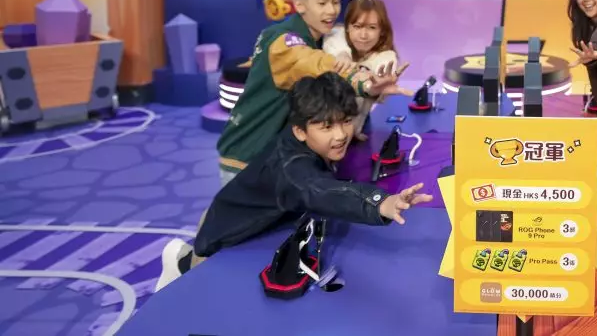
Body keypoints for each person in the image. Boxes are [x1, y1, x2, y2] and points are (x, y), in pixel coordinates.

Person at [156, 73, 432, 290]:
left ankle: (180, 257)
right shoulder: (292, 170)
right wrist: (381, 203)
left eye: (346, 121)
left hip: (239, 211)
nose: (340, 135)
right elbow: (318, 190)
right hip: (224, 235)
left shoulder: (306, 129)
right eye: (327, 127)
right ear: (300, 131)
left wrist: (368, 93)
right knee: (199, 297)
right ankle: (178, 263)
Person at [216, 0, 409, 186]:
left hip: (276, 157)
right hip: (249, 156)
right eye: (322, 3)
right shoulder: (286, 41)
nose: (331, 10)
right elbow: (313, 63)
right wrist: (364, 83)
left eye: (335, 2)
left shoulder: (316, 37)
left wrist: (371, 89)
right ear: (300, 4)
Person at [322, 0, 405, 141]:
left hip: (351, 133)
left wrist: (371, 84)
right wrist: (343, 54)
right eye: (357, 26)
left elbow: (375, 85)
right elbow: (334, 38)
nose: (363, 35)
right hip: (322, 131)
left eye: (372, 28)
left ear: (382, 31)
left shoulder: (387, 58)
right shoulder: (337, 37)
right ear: (347, 28)